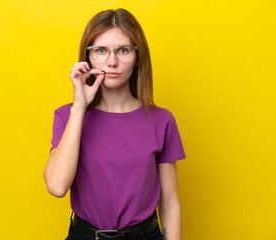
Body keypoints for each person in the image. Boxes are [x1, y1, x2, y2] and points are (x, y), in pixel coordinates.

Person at [43, 8, 186, 240]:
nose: (112, 62)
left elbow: (170, 204)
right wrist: (79, 108)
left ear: (138, 56)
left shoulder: (162, 120)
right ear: (88, 57)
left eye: (123, 50)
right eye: (101, 50)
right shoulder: (67, 116)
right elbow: (57, 186)